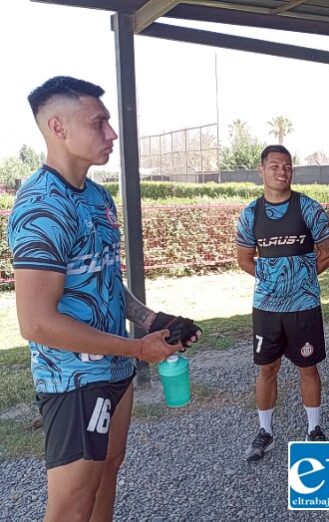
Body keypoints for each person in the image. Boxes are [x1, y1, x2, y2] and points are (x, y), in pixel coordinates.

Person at [7, 76, 202, 522]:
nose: (111, 133)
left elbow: (107, 281)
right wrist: (138, 348)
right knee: (70, 508)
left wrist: (153, 319)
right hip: (74, 380)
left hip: (116, 370)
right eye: (99, 123)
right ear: (58, 127)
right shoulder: (40, 205)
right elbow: (35, 322)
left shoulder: (98, 198)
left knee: (107, 473)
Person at [236, 144, 329, 461]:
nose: (282, 171)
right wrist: (273, 282)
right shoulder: (251, 214)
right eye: (275, 166)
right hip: (267, 308)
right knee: (267, 369)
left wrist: (301, 279)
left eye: (288, 166)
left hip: (304, 306)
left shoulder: (309, 208)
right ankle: (265, 433)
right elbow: (243, 259)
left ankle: (314, 430)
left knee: (308, 367)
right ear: (262, 170)